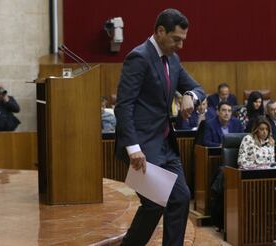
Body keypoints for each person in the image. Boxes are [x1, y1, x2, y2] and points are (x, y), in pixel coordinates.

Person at [114, 9, 205, 246]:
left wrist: (189, 96)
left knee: (181, 198)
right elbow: (123, 106)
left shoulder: (173, 60)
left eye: (183, 40)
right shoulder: (139, 57)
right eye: (177, 39)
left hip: (165, 145)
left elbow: (197, 88)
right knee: (154, 204)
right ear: (160, 31)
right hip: (141, 146)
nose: (180, 45)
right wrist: (132, 148)